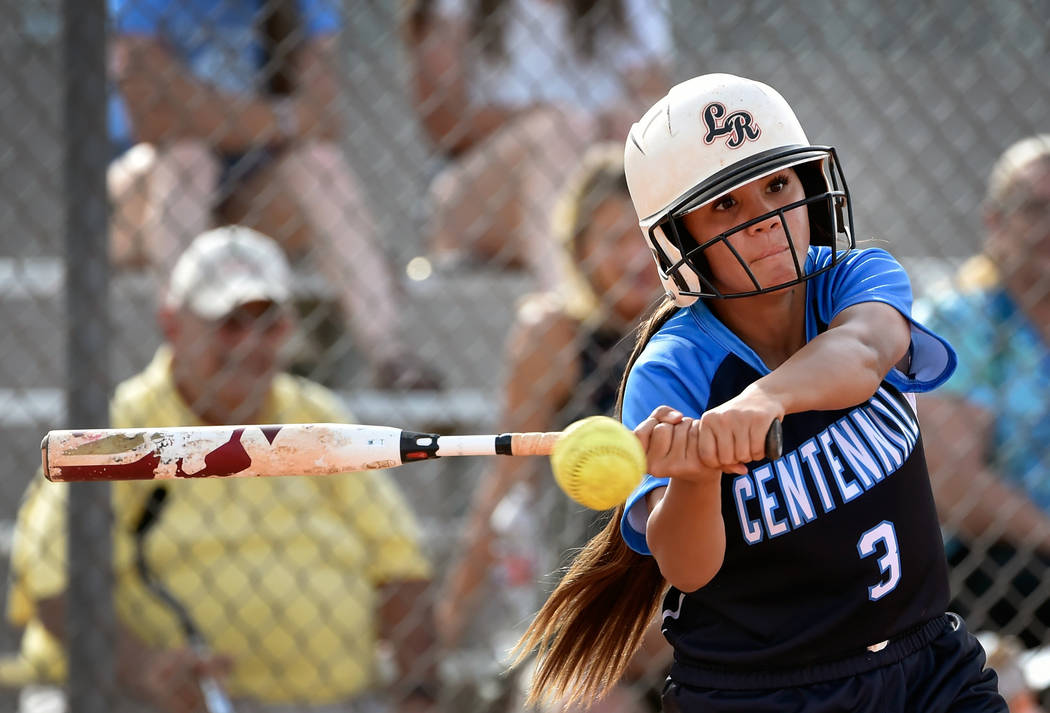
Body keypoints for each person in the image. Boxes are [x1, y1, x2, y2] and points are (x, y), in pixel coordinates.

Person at [510, 74, 1008, 712]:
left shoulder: (857, 277)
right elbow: (687, 570)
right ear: (680, 240)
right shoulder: (673, 369)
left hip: (928, 665)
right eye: (725, 207)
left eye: (777, 185)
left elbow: (861, 353)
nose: (766, 219)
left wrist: (755, 404)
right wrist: (697, 474)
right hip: (765, 693)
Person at [6, 227, 442, 713]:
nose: (250, 344)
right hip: (142, 700)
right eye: (229, 323)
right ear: (172, 325)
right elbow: (54, 581)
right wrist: (147, 670)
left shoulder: (316, 417)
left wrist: (417, 696)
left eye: (270, 324)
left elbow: (403, 567)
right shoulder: (122, 429)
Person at [435, 143, 669, 711]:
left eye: (647, 237)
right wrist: (442, 632)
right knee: (585, 702)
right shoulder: (557, 336)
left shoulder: (700, 331)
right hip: (597, 593)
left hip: (694, 585)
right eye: (614, 239)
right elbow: (503, 485)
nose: (636, 258)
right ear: (580, 251)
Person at [107, 0, 440, 389]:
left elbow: (322, 118)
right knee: (188, 159)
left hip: (253, 191)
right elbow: (153, 118)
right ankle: (183, 349)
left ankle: (390, 354)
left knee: (318, 162)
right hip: (150, 193)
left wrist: (200, 111)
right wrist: (280, 118)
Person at [401, 0, 671, 290]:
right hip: (475, 197)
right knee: (559, 129)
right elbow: (443, 124)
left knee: (631, 125)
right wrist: (549, 116)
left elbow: (655, 109)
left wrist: (605, 123)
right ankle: (567, 305)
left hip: (595, 170)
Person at [915, 135, 1050, 651]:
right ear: (996, 223)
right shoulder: (957, 322)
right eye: (1036, 209)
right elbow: (956, 488)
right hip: (985, 564)